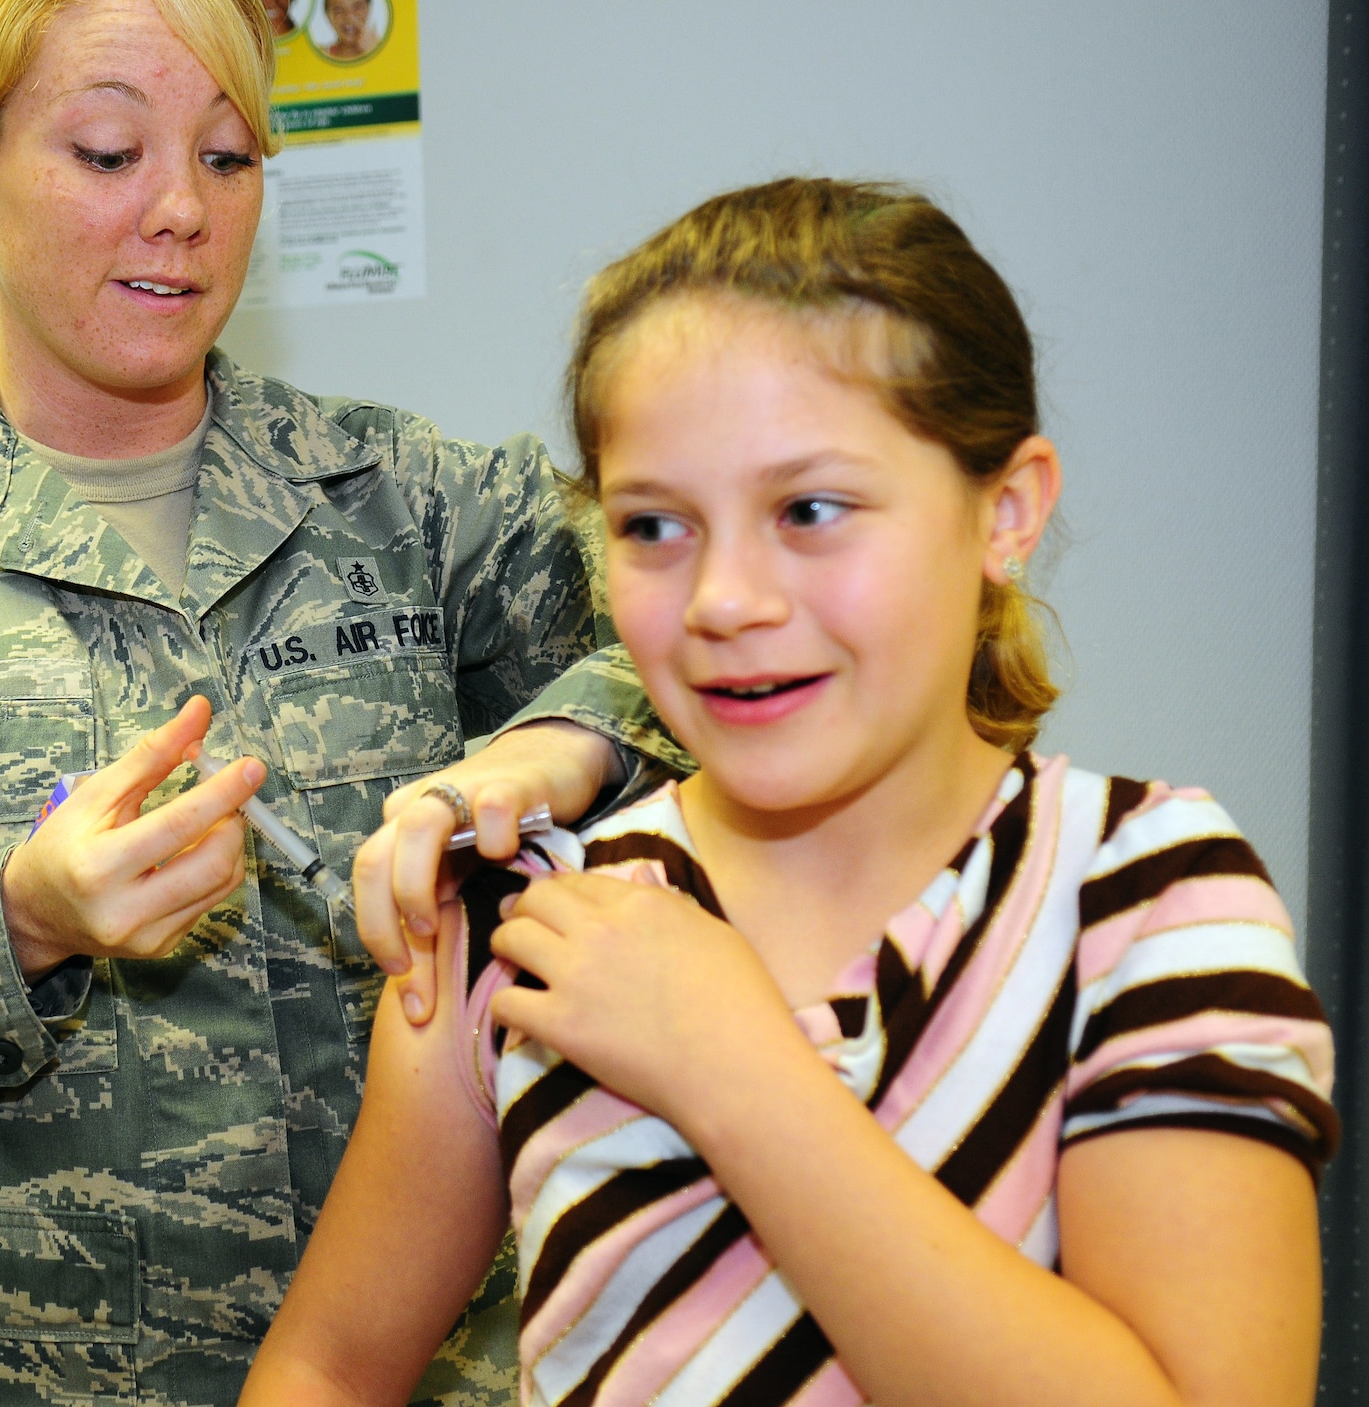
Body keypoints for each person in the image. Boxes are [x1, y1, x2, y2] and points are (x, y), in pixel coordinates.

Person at [0, 2, 675, 1404]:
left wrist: (556, 741)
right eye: (108, 151)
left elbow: (738, 664)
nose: (180, 211)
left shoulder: (429, 509)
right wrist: (13, 920)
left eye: (231, 159)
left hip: (410, 1367)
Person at [239, 178, 1337, 1407]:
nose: (722, 602)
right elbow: (328, 1367)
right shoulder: (524, 919)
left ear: (1005, 511)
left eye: (809, 509)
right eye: (654, 526)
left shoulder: (1144, 898)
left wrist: (733, 1069)